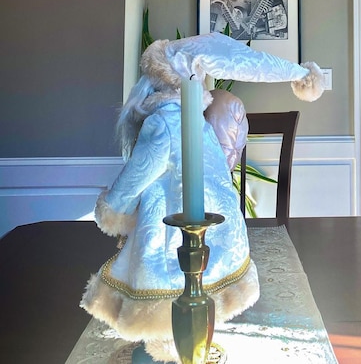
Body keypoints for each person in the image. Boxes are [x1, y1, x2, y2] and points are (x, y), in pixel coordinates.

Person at [81, 33, 325, 362]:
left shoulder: (162, 123)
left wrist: (110, 210)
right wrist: (298, 74)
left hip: (170, 240)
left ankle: (170, 349)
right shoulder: (199, 124)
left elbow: (133, 180)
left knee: (163, 300)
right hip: (219, 236)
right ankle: (189, 341)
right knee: (197, 294)